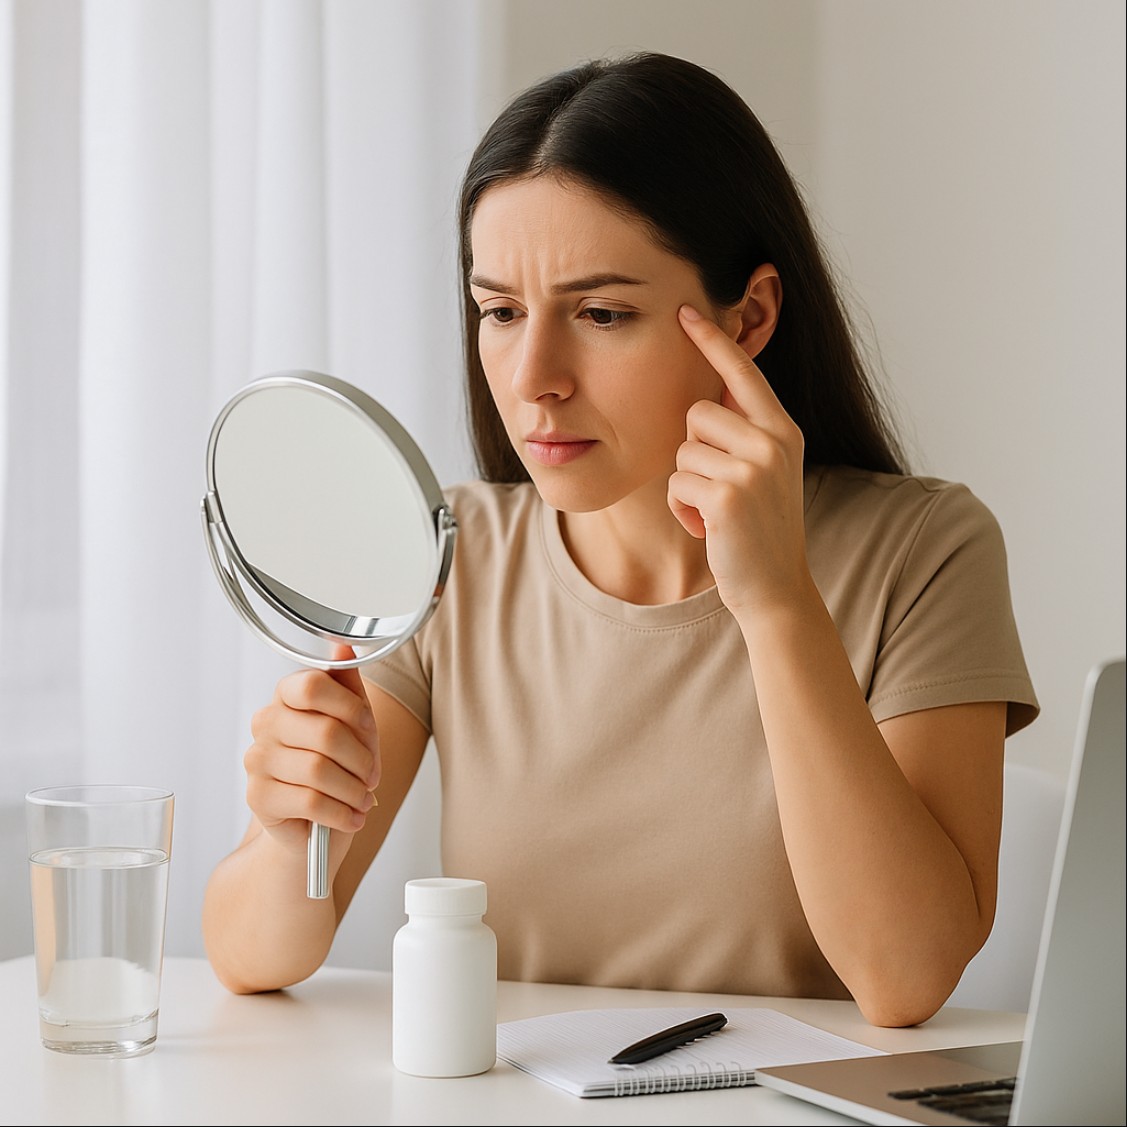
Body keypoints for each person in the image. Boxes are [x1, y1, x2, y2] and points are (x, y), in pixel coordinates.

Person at [202, 51, 1038, 1028]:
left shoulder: (922, 549)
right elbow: (253, 955)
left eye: (601, 313)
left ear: (750, 314)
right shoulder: (451, 558)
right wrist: (283, 827)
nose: (533, 376)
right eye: (500, 311)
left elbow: (904, 976)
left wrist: (772, 601)